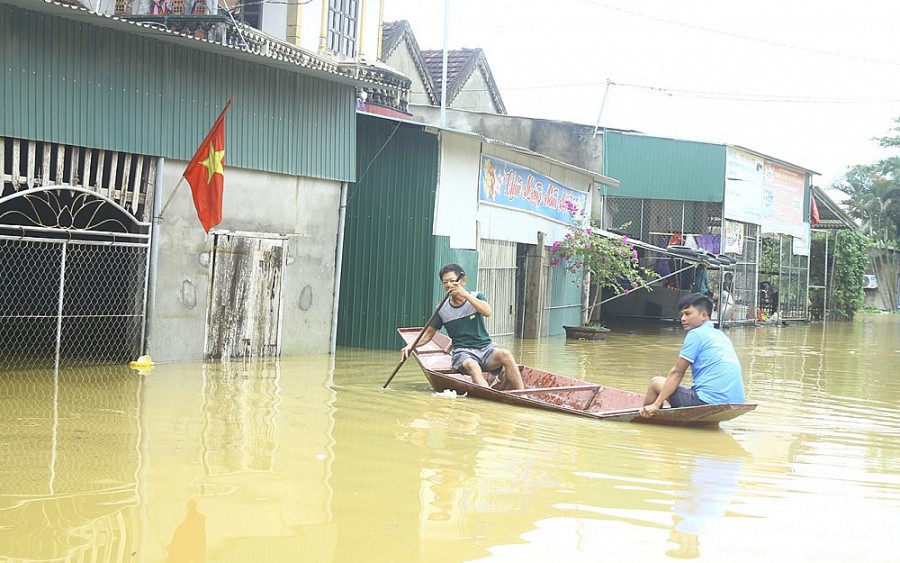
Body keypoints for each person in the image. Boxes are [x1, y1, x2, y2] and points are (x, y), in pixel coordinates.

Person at [400, 264, 525, 390]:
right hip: (463, 352)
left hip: (485, 348)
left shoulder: (477, 297)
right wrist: (411, 346)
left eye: (452, 281)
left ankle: (522, 394)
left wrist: (465, 294)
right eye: (445, 282)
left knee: (506, 354)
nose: (449, 285)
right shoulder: (442, 309)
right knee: (473, 366)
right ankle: (490, 397)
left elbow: (487, 312)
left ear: (463, 281)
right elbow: (427, 335)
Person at [640, 293, 745, 418]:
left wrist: (656, 405)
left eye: (688, 313)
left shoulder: (696, 334)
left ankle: (646, 419)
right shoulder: (721, 335)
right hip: (737, 401)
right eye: (682, 314)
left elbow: (677, 373)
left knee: (655, 382)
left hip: (707, 402)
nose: (683, 318)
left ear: (703, 315)